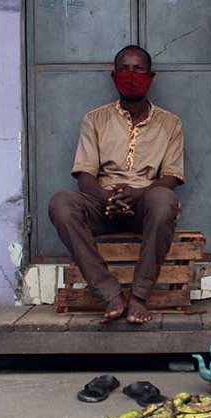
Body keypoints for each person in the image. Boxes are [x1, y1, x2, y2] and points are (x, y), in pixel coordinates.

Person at [49, 45, 184, 324]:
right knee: (61, 204)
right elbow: (85, 174)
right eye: (124, 69)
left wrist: (137, 195)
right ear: (113, 76)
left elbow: (170, 177)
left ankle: (138, 297)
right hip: (103, 204)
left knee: (164, 200)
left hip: (144, 206)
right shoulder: (95, 119)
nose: (130, 75)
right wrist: (106, 198)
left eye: (138, 69)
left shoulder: (170, 123)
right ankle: (111, 295)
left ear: (151, 75)